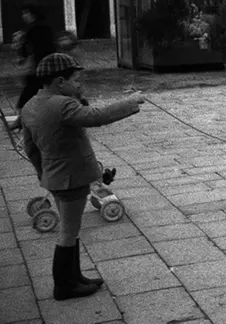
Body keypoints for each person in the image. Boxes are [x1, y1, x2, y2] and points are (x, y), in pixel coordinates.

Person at [19, 53, 145, 301]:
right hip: (72, 177)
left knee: (72, 229)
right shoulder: (62, 105)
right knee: (68, 231)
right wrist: (130, 102)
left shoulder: (31, 105)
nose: (80, 84)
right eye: (75, 80)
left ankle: (75, 278)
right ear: (58, 82)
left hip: (54, 177)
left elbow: (30, 147)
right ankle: (64, 287)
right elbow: (96, 116)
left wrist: (42, 173)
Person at [12, 1, 56, 114]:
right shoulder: (40, 27)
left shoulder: (36, 28)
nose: (23, 16)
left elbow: (28, 50)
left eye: (25, 13)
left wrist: (19, 43)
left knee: (31, 91)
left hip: (39, 66)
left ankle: (23, 117)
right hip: (43, 66)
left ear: (33, 14)